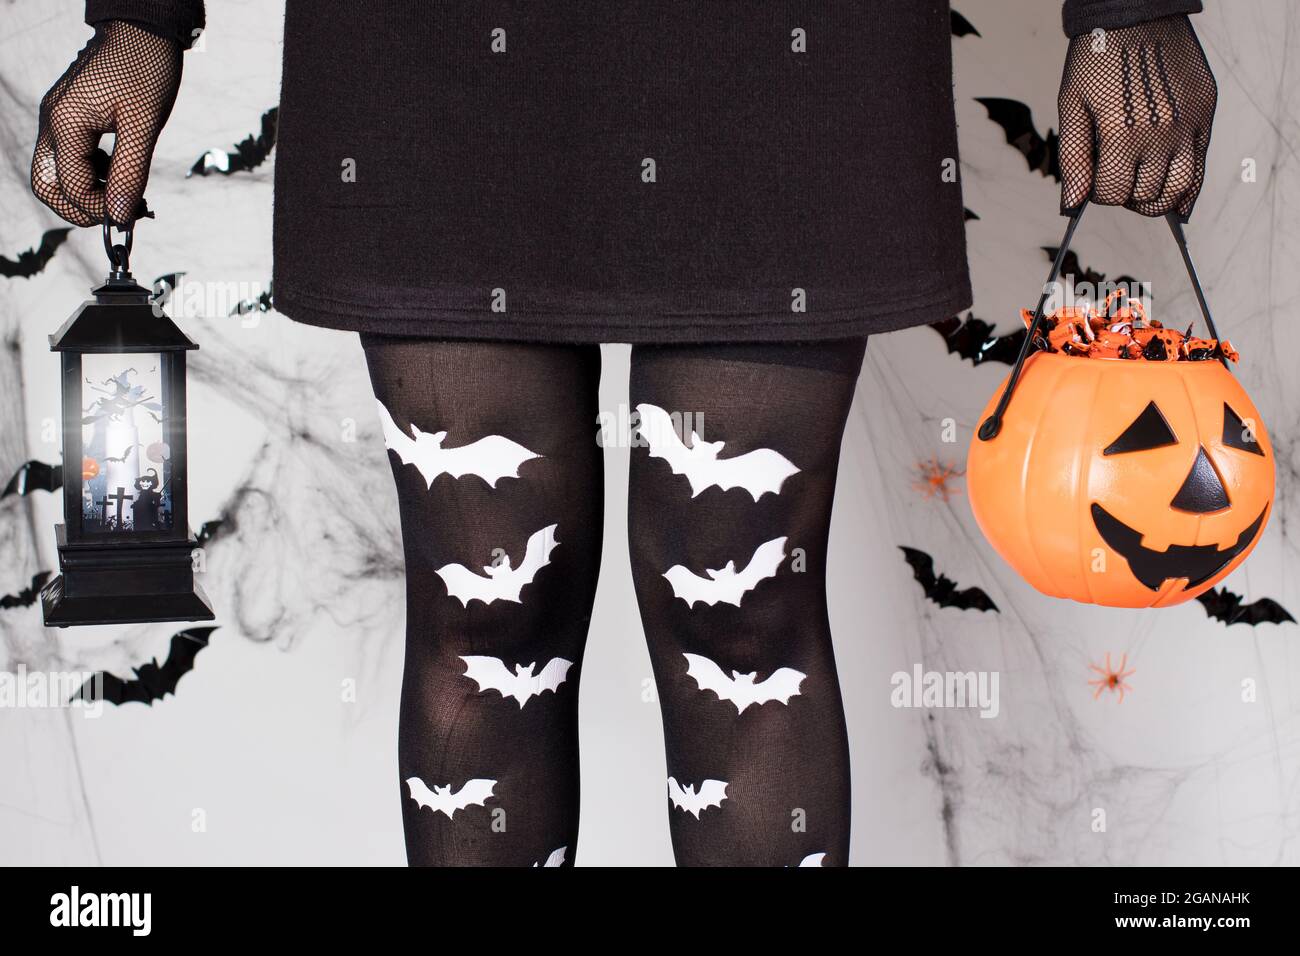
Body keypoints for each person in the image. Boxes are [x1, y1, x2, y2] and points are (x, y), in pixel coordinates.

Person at [31, 0, 1217, 866]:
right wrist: (141, 15)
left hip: (780, 43)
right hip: (436, 49)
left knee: (741, 620)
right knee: (487, 613)